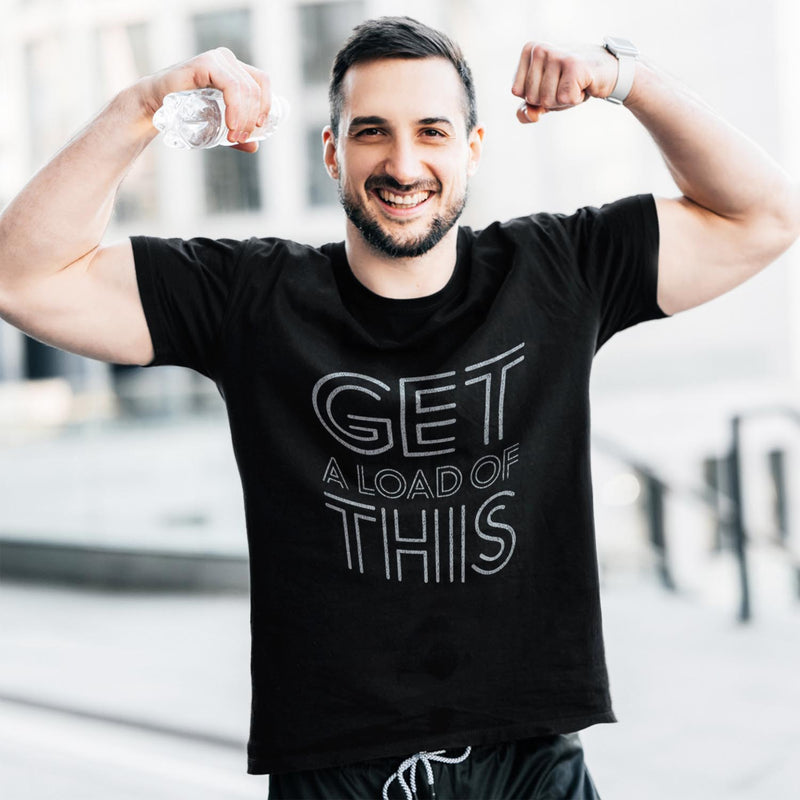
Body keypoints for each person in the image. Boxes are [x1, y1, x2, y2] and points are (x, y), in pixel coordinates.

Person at [0, 14, 797, 800]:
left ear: (473, 150)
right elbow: (23, 278)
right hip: (336, 768)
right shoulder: (252, 299)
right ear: (333, 153)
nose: (404, 162)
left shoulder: (557, 273)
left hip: (531, 760)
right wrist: (146, 102)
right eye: (372, 132)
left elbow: (764, 214)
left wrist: (629, 79)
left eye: (433, 132)